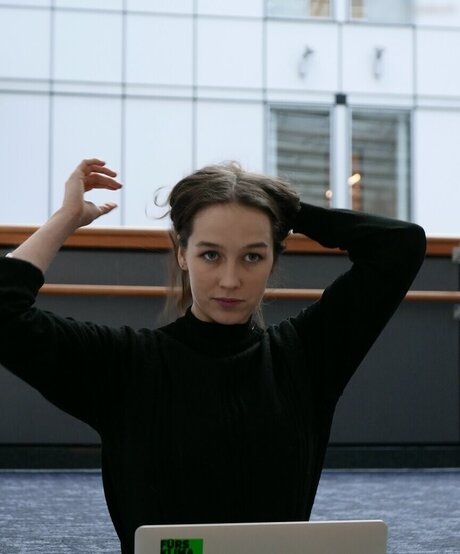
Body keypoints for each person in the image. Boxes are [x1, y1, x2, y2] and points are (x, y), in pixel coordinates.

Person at [0, 159, 426, 554]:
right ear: (182, 254)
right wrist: (66, 218)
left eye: (252, 256)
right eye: (210, 254)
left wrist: (284, 208)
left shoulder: (306, 357)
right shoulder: (124, 365)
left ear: (274, 259)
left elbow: (400, 244)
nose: (230, 279)